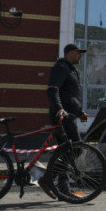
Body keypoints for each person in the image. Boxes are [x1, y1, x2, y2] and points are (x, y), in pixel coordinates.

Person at [42, 43, 89, 199]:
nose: (80, 55)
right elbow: (52, 89)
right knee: (76, 148)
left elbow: (69, 96)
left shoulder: (70, 69)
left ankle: (63, 188)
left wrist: (80, 112)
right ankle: (47, 180)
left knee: (65, 151)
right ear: (69, 53)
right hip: (62, 116)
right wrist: (59, 109)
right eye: (78, 52)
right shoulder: (61, 67)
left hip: (68, 115)